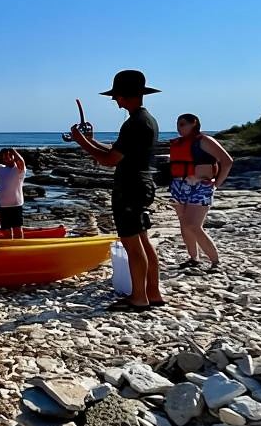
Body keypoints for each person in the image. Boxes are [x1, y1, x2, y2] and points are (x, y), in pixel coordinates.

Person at [70, 70, 164, 312]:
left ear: (125, 95)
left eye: (117, 95)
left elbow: (110, 160)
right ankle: (153, 292)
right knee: (142, 240)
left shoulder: (134, 123)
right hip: (142, 183)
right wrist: (90, 140)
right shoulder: (146, 120)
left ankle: (139, 297)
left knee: (132, 243)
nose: (115, 100)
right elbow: (117, 150)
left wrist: (81, 143)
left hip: (130, 186)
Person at [167, 113, 234, 270]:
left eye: (183, 124)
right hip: (179, 186)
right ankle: (193, 259)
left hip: (200, 186)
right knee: (184, 224)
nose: (179, 128)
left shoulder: (204, 141)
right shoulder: (179, 143)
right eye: (178, 124)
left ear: (194, 123)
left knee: (193, 225)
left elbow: (227, 161)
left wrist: (216, 184)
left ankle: (215, 262)